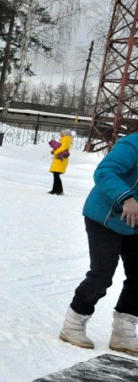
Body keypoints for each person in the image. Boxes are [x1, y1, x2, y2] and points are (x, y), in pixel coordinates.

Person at [59, 132, 138, 355]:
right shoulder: (133, 144)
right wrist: (127, 197)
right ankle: (74, 324)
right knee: (102, 275)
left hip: (135, 222)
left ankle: (124, 331)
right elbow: (105, 171)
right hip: (106, 215)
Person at [48, 129, 73, 195]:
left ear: (65, 134)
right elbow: (61, 147)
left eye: (61, 133)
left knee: (56, 175)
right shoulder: (65, 139)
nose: (60, 135)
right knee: (55, 175)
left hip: (61, 159)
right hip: (59, 159)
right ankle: (55, 190)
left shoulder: (66, 139)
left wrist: (55, 152)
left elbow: (63, 147)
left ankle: (59, 190)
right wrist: (54, 151)